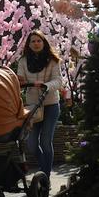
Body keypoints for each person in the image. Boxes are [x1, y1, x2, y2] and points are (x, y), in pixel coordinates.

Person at [16, 30, 62, 183]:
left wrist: (46, 85)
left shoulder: (52, 60)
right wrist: (20, 81)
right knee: (32, 143)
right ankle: (44, 170)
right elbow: (20, 79)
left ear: (44, 42)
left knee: (45, 142)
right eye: (33, 41)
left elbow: (58, 81)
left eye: (39, 41)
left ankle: (45, 178)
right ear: (28, 45)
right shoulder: (23, 61)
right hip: (33, 106)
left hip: (50, 105)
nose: (36, 44)